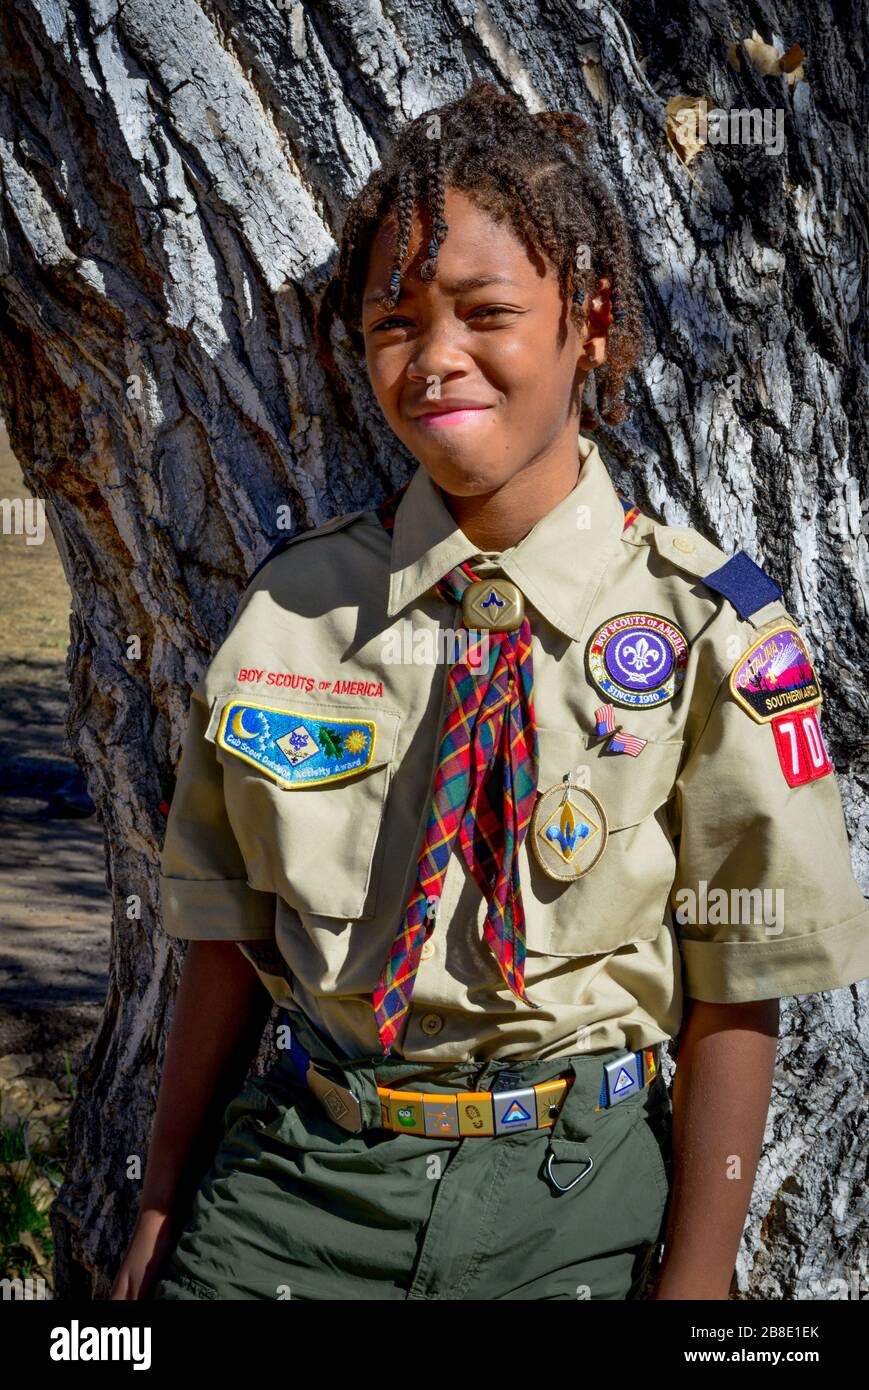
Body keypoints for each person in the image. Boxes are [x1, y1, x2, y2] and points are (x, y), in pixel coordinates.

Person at [112, 79, 869, 1302]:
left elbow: (739, 982)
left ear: (589, 316)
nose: (436, 357)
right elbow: (225, 936)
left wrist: (697, 1287)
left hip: (568, 1198)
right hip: (300, 1182)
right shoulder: (293, 616)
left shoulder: (706, 630)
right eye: (393, 324)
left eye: (486, 311)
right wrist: (158, 1200)